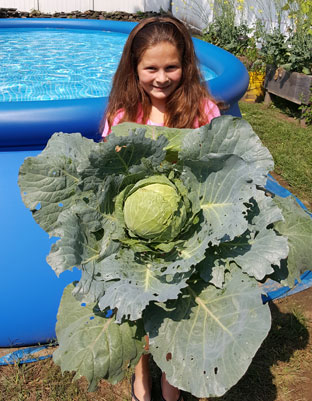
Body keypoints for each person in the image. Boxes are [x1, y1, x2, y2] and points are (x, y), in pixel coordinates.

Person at [101, 15, 221, 401]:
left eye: (171, 67)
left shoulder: (202, 112)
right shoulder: (122, 117)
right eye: (150, 68)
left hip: (192, 229)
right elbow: (106, 179)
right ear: (134, 69)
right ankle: (142, 377)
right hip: (133, 233)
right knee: (135, 310)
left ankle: (172, 382)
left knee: (179, 315)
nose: (161, 77)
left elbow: (221, 168)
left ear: (185, 66)